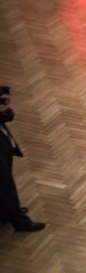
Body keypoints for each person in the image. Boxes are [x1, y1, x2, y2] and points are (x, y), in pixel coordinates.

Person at [0, 87, 45, 232]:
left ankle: (6, 214)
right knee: (7, 190)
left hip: (4, 151)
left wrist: (4, 108)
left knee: (5, 189)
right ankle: (20, 223)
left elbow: (8, 116)